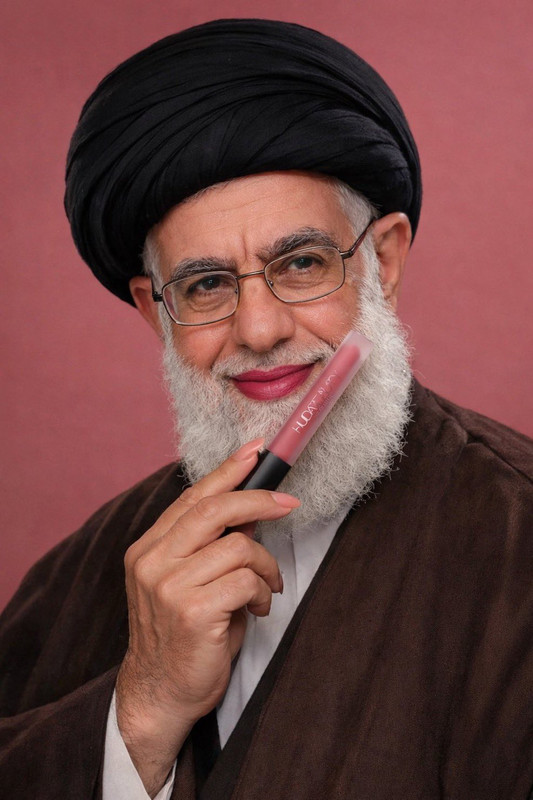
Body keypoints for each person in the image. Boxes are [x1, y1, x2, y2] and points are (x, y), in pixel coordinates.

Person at [0, 19, 531, 800]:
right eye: (206, 285)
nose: (258, 330)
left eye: (303, 263)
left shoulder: (517, 537)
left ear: (383, 262)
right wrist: (139, 714)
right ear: (155, 312)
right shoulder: (78, 573)